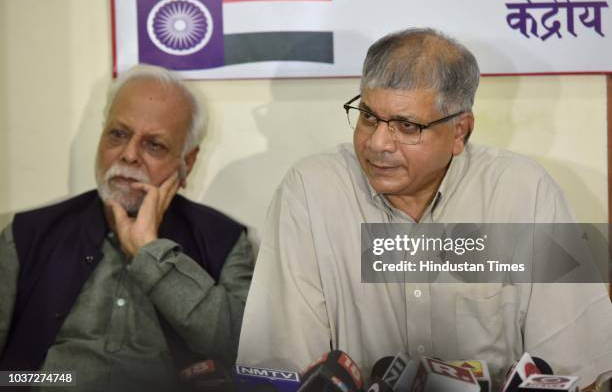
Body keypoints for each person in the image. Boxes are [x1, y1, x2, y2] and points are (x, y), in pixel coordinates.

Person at [237, 28, 612, 387]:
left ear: (460, 132)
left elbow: (573, 364)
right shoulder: (310, 192)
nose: (378, 143)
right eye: (369, 116)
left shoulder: (523, 194)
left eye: (406, 126)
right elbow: (284, 364)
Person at [0, 64, 253, 392]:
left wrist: (151, 253)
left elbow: (247, 350)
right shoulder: (27, 234)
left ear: (187, 163)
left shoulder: (224, 240)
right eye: (118, 134)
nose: (129, 155)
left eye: (154, 145)